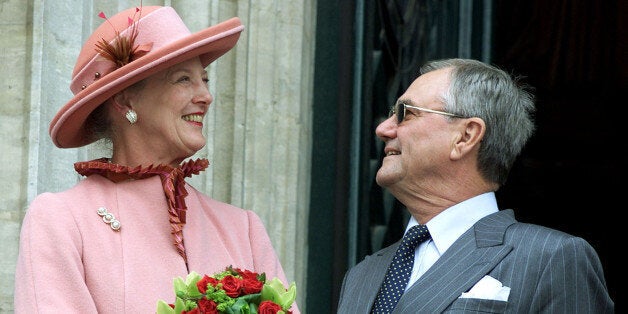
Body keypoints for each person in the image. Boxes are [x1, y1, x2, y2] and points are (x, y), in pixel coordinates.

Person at [14, 5, 299, 313]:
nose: (205, 95)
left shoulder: (244, 229)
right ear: (126, 99)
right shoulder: (63, 220)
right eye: (183, 80)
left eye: (205, 79)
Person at [336, 58, 614, 313]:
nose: (383, 129)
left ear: (466, 136)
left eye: (405, 113)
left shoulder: (551, 258)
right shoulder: (363, 274)